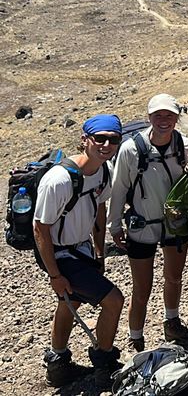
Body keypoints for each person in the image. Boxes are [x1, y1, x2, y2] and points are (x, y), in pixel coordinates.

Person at [33, 114, 124, 389]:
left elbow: (99, 209)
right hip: (59, 253)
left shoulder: (103, 171)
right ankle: (103, 361)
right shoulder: (58, 179)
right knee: (113, 300)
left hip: (80, 250)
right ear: (85, 139)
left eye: (113, 139)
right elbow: (41, 229)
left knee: (70, 301)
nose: (107, 144)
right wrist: (54, 275)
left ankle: (58, 363)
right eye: (100, 138)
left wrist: (99, 252)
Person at [109, 94, 188, 351]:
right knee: (142, 287)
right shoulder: (131, 149)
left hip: (174, 223)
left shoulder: (184, 145)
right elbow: (119, 188)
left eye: (169, 115)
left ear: (177, 119)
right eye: (158, 115)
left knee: (174, 277)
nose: (164, 120)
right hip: (142, 224)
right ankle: (135, 335)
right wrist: (115, 225)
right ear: (149, 117)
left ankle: (171, 322)